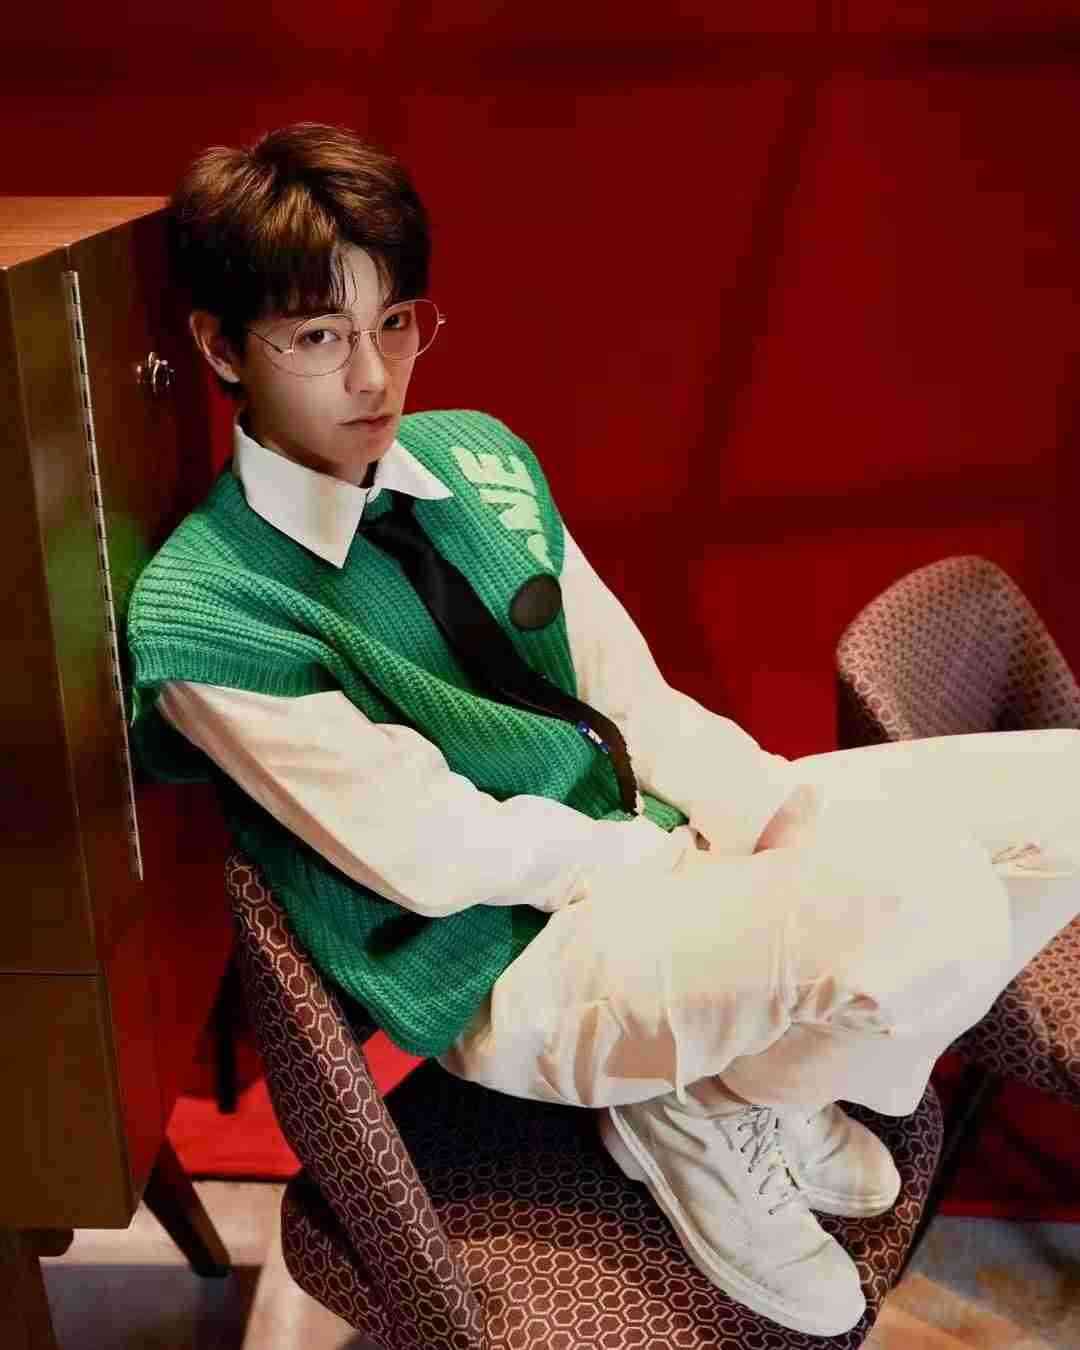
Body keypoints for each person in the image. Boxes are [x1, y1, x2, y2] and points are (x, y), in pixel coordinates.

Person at [126, 121, 1080, 1338]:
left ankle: (727, 1091)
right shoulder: (209, 611)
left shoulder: (474, 457)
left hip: (648, 841)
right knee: (931, 910)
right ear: (220, 346)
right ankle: (706, 1109)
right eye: (318, 337)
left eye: (395, 321)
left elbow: (628, 696)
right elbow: (433, 851)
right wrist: (657, 864)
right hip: (514, 959)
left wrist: (764, 814)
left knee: (1061, 802)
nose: (373, 377)